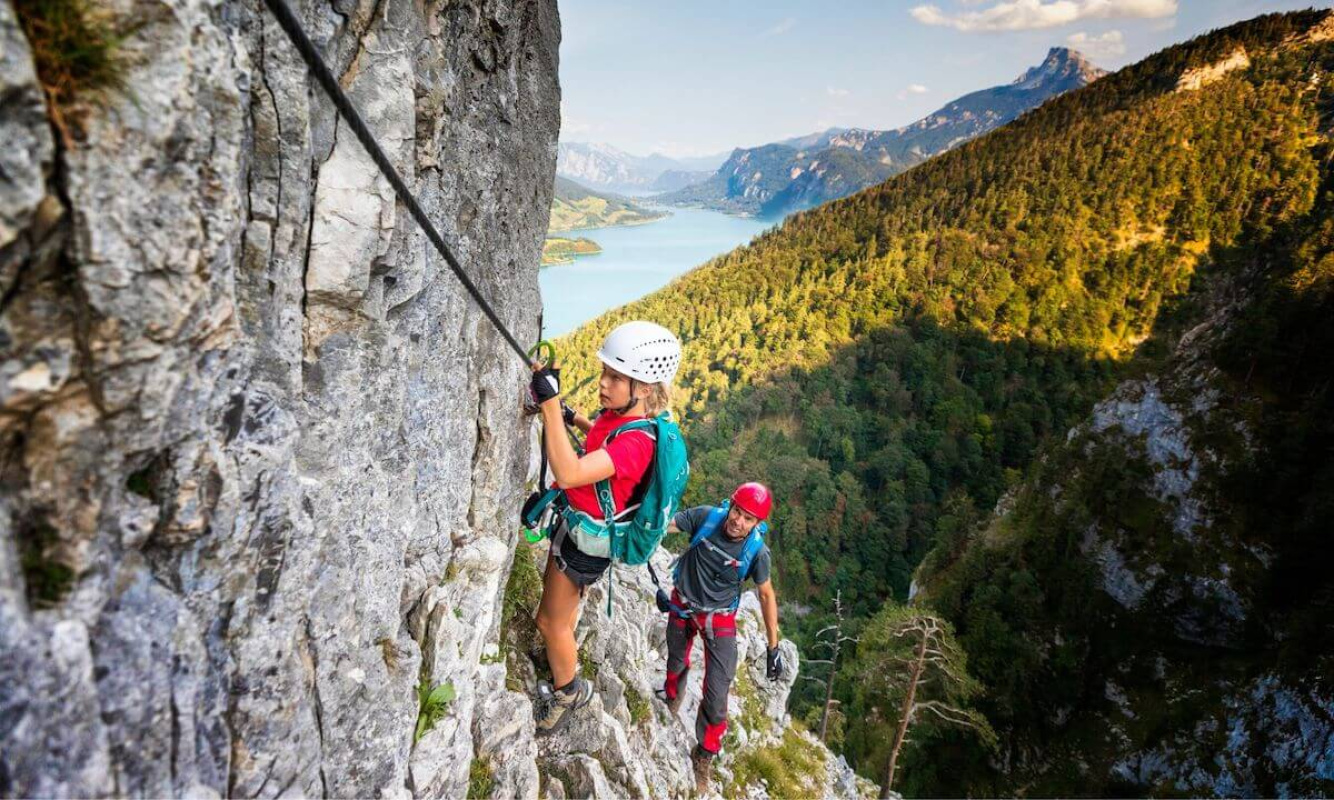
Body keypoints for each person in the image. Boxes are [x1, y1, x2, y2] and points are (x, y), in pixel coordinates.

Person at [527, 320, 682, 735]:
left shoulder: (635, 443)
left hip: (585, 545)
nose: (603, 383)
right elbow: (600, 442)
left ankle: (568, 692)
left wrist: (548, 405)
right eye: (605, 372)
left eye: (617, 377)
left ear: (645, 388)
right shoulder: (622, 419)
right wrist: (570, 415)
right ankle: (564, 653)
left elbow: (571, 469)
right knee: (558, 609)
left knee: (550, 622)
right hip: (579, 529)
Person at [655, 482, 785, 792]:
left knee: (717, 694)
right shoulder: (706, 518)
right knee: (675, 659)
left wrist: (773, 647)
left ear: (757, 523)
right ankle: (673, 698)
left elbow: (766, 596)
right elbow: (665, 525)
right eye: (737, 511)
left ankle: (704, 755)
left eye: (748, 518)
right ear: (730, 505)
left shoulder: (756, 552)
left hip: (719, 618)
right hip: (683, 603)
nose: (738, 521)